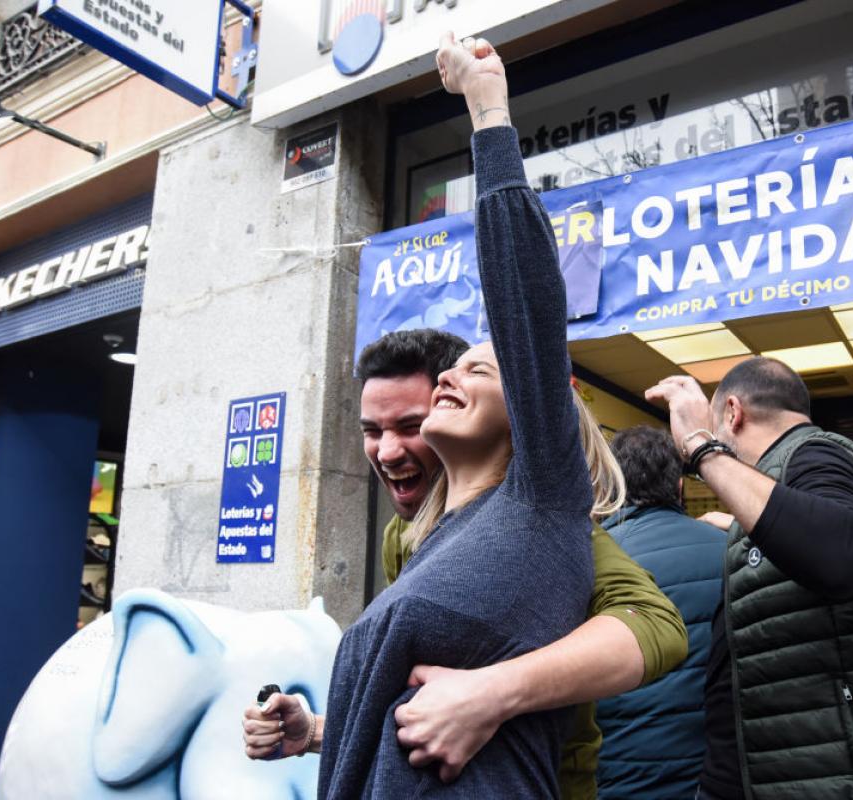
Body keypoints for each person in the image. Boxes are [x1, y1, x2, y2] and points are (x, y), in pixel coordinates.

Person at [247, 33, 631, 799]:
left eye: (479, 369)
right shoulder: (432, 538)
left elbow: (524, 298)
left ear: (532, 408)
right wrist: (320, 731)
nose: (454, 375)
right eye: (451, 371)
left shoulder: (541, 502)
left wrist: (487, 111)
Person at [645, 357, 853, 800]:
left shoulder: (818, 454)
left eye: (716, 424)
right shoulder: (786, 480)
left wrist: (701, 447)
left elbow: (839, 556)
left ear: (732, 412)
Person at [595, 426, 726, 799]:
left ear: (609, 487)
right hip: (715, 775)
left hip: (620, 775)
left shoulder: (595, 563)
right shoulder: (728, 551)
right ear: (680, 487)